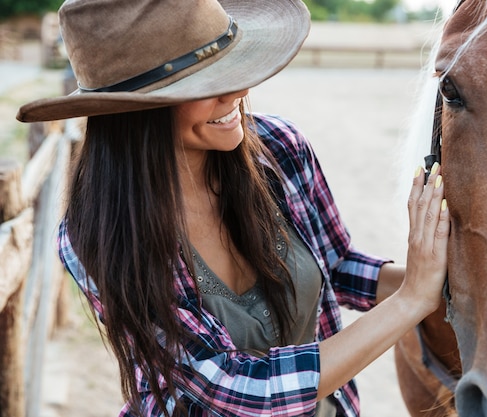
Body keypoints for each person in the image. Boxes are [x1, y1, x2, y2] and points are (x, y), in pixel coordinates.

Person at [17, 0, 450, 416]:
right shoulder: (100, 235)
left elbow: (335, 267)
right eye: (206, 83)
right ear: (135, 113)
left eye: (232, 66)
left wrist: (445, 280)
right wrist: (410, 300)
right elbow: (236, 387)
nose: (239, 91)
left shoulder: (279, 148)